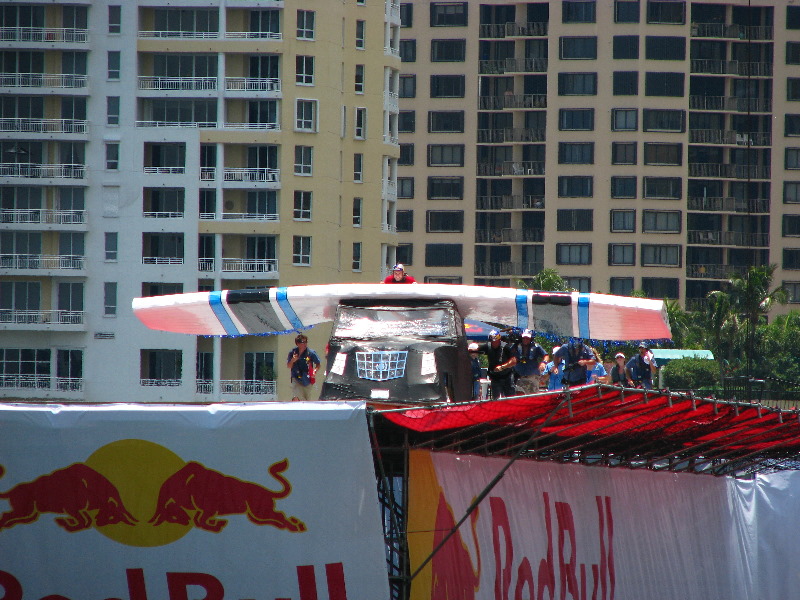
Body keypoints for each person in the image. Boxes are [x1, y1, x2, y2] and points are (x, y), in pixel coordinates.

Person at [476, 330, 515, 399]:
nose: (493, 343)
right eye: (491, 341)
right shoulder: (488, 346)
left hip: (507, 377)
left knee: (510, 398)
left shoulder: (506, 347)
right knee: (495, 399)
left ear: (499, 339)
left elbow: (514, 360)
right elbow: (476, 349)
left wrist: (503, 367)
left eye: (495, 340)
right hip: (495, 378)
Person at [511, 329, 546, 395]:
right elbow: (508, 353)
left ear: (531, 338)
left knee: (533, 397)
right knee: (520, 397)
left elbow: (546, 355)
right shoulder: (516, 346)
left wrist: (543, 362)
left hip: (532, 376)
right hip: (520, 377)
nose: (525, 340)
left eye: (527, 338)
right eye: (524, 338)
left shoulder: (536, 346)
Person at [286, 334, 321, 401]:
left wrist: (315, 371)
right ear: (297, 343)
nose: (305, 344)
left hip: (307, 380)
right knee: (296, 397)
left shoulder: (311, 353)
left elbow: (318, 364)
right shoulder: (292, 353)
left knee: (307, 400)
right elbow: (288, 366)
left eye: (306, 342)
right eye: (303, 342)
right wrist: (293, 360)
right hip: (296, 379)